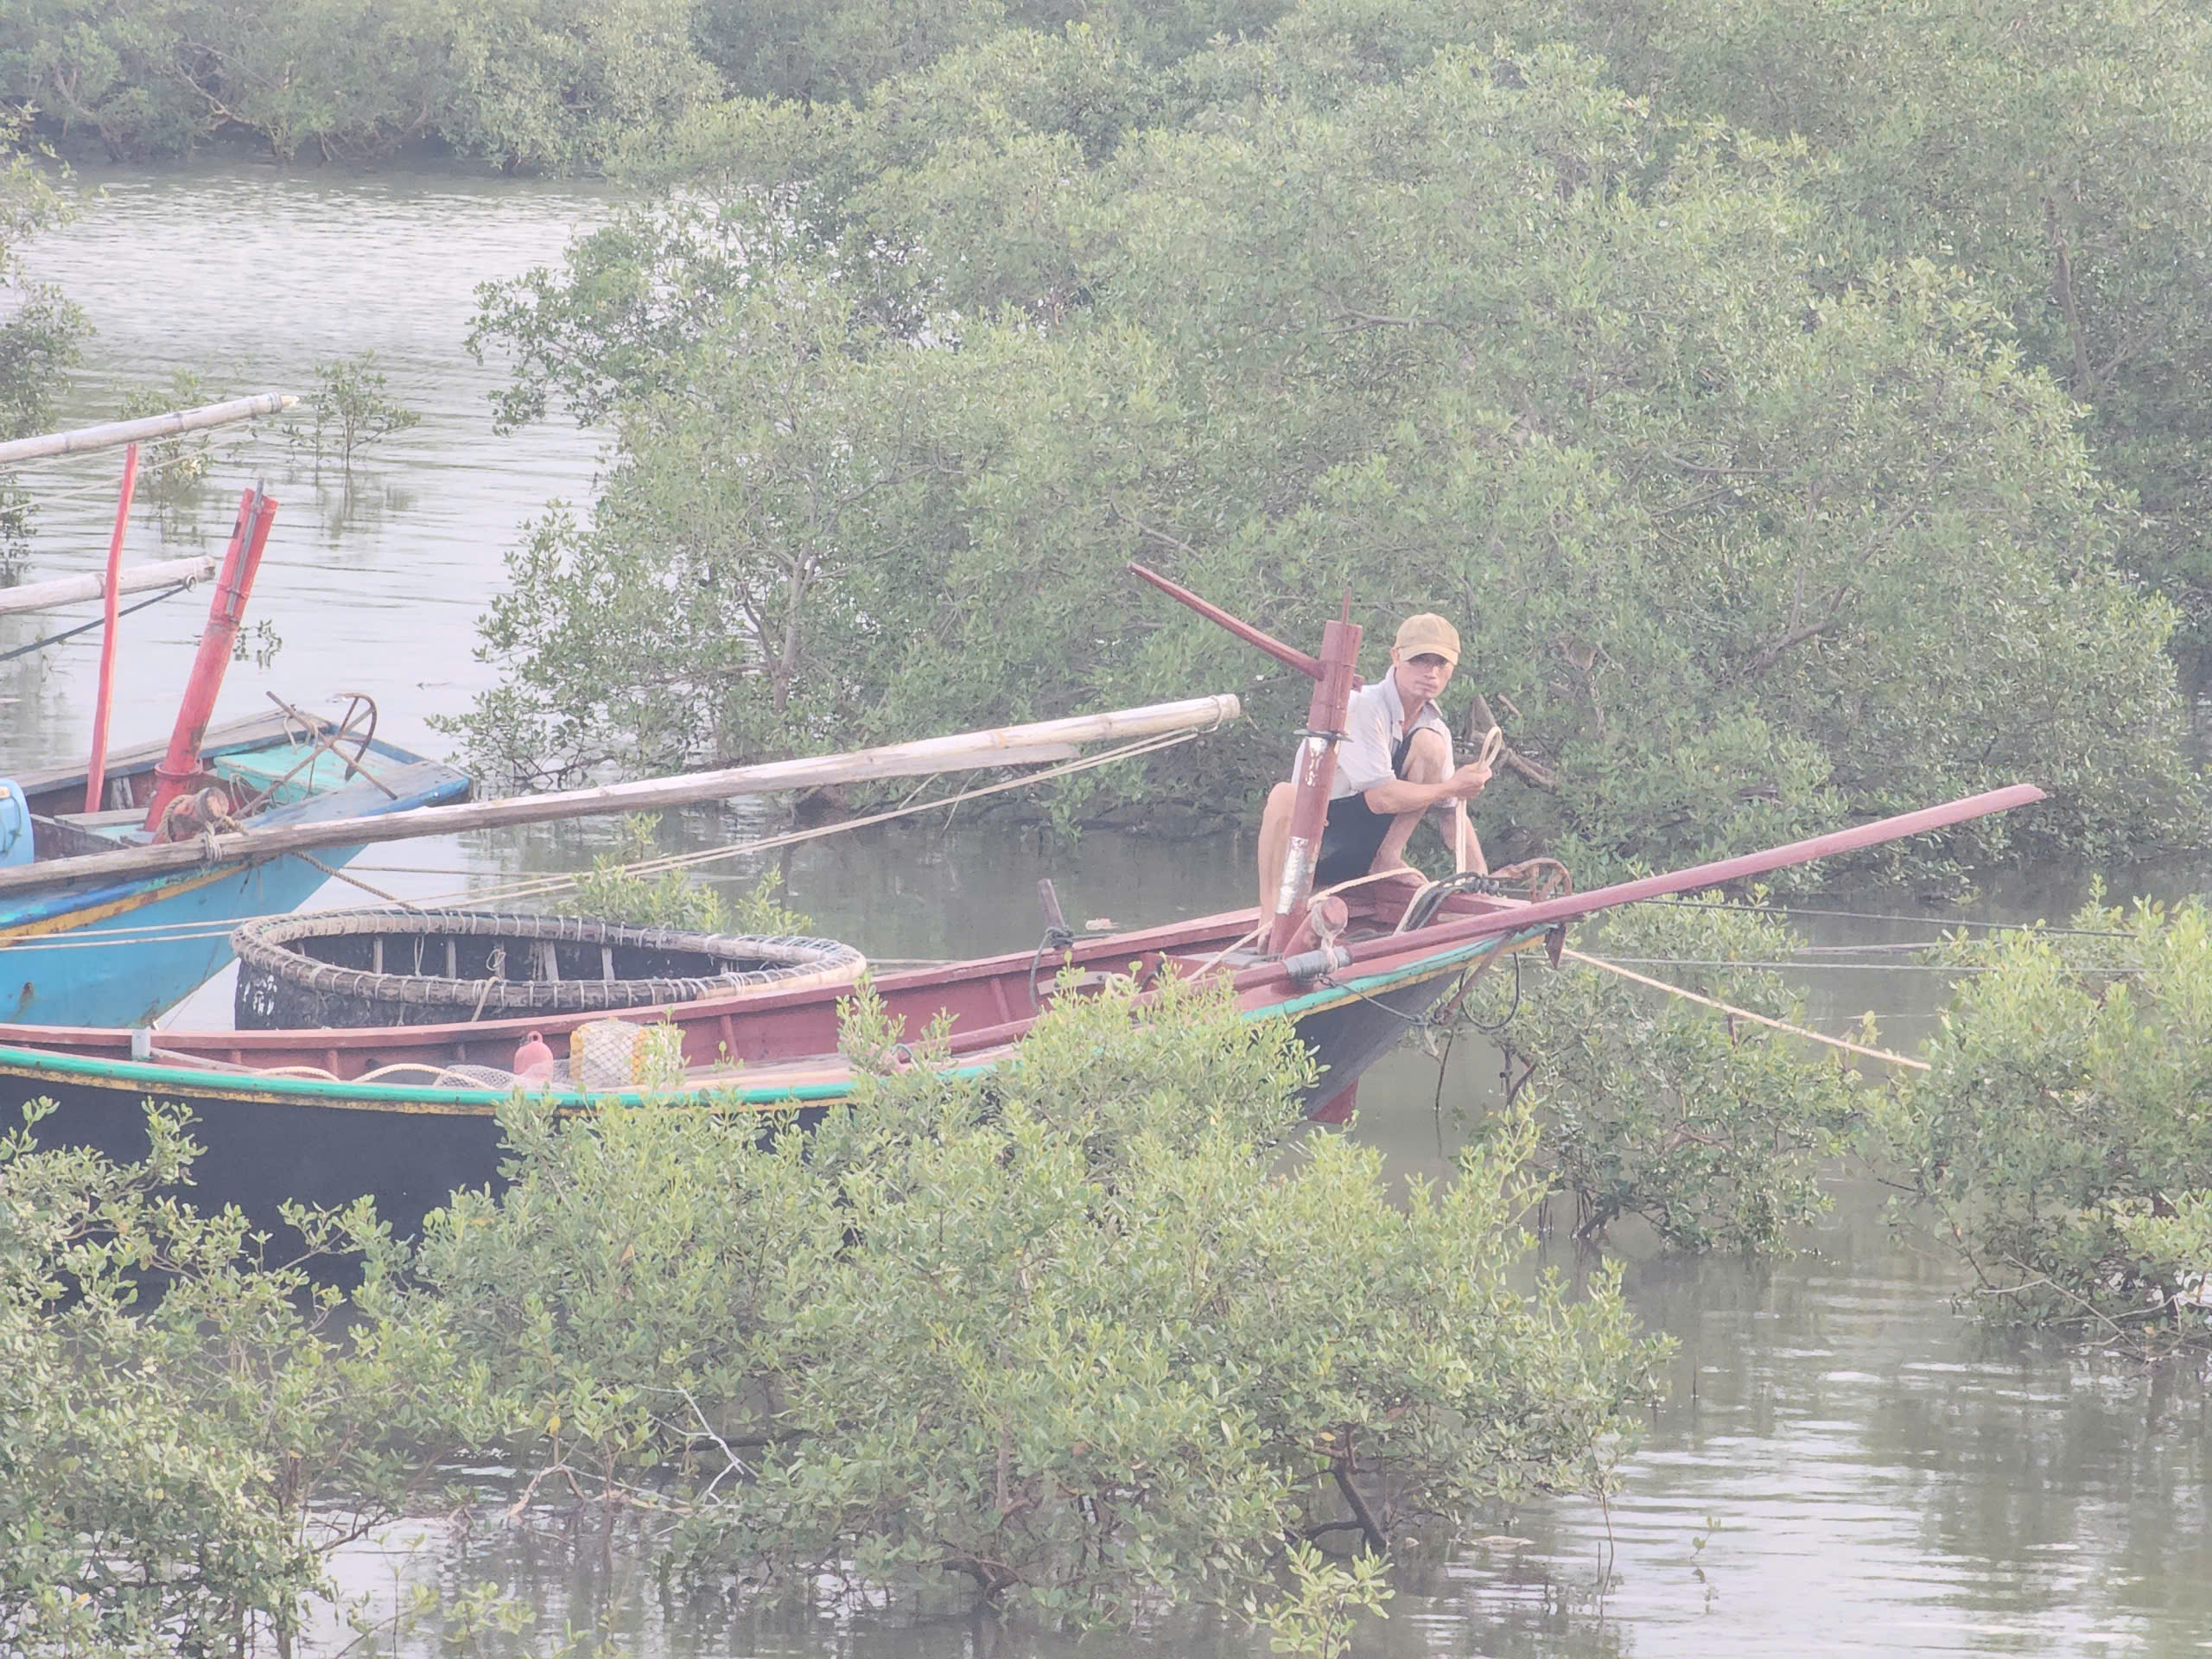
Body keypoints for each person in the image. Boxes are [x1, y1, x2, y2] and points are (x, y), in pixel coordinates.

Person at [1255, 613, 1492, 918]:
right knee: (1283, 795)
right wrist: (1453, 786)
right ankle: (1272, 913)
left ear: (1452, 668)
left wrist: (1482, 881)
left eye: (1440, 663)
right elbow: (1382, 799)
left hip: (1364, 847)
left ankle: (1388, 858)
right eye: (1419, 660)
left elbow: (1451, 814)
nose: (1430, 672)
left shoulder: (1435, 727)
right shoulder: (1364, 706)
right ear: (1396, 657)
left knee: (1430, 747)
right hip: (1317, 845)